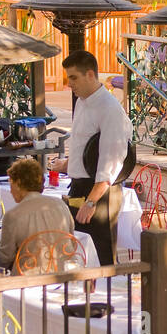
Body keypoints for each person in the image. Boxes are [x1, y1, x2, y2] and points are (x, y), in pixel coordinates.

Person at [56, 50, 135, 265]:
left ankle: (104, 297)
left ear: (90, 75)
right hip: (80, 186)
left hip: (101, 194)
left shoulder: (110, 109)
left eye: (73, 77)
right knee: (80, 253)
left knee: (100, 257)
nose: (69, 84)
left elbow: (111, 161)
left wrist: (91, 202)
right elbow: (86, 148)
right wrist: (65, 165)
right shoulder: (83, 101)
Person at [0, 157, 75, 271]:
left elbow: (5, 257)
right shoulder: (61, 205)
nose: (10, 190)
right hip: (64, 272)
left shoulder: (13, 215)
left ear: (18, 184)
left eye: (11, 183)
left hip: (30, 278)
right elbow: (71, 239)